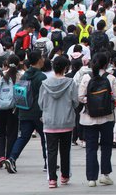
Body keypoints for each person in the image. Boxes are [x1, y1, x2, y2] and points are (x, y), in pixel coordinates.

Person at [79, 53, 116, 187]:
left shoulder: (86, 77)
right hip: (107, 117)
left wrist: (90, 101)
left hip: (88, 118)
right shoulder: (111, 78)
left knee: (90, 148)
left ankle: (91, 178)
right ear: (106, 63)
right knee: (106, 146)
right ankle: (105, 174)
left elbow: (80, 96)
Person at [3, 51, 48, 174]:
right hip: (38, 113)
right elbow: (43, 97)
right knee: (45, 138)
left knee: (23, 137)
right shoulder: (42, 77)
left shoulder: (24, 76)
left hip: (24, 111)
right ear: (39, 60)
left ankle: (12, 158)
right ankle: (47, 162)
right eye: (42, 58)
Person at [38, 56, 78, 188]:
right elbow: (75, 102)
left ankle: (52, 179)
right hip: (66, 121)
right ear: (66, 68)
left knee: (51, 151)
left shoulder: (45, 84)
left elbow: (41, 103)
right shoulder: (71, 83)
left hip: (50, 122)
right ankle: (65, 175)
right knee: (66, 150)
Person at [0, 55, 22, 168]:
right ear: (18, 63)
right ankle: (9, 157)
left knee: (0, 133)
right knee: (12, 134)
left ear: (7, 63)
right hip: (14, 109)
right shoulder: (19, 76)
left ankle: (1, 156)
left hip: (0, 108)